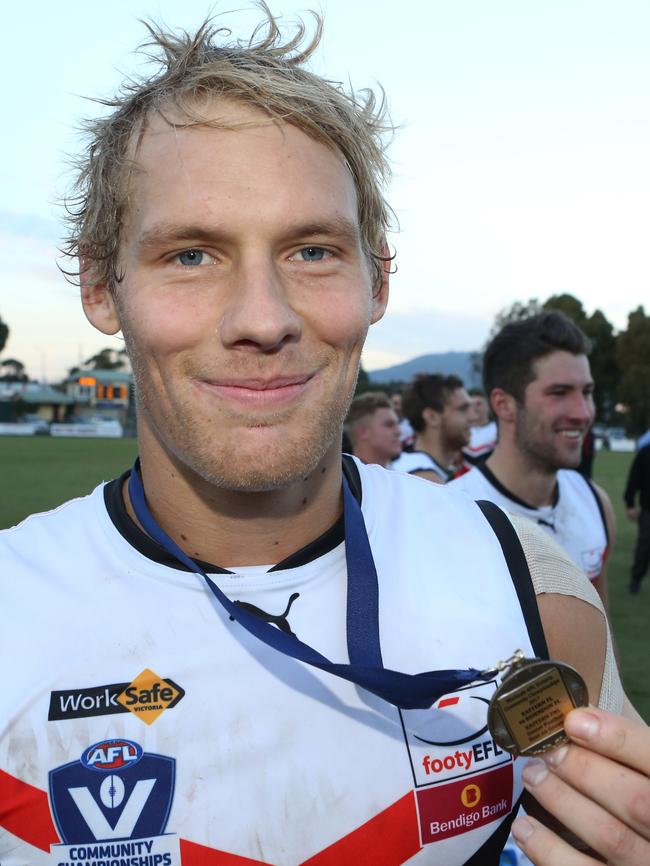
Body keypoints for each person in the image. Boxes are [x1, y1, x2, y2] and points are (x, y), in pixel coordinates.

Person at [1, 12, 648, 866]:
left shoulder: (532, 584)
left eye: (312, 251)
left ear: (377, 281)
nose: (262, 319)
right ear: (98, 284)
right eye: (191, 256)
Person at [449, 312, 614, 613]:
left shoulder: (595, 503)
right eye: (559, 393)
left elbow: (603, 640)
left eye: (587, 392)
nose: (583, 413)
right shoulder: (451, 513)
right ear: (504, 405)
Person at [391, 373, 473, 482]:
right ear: (432, 417)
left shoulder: (408, 468)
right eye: (463, 409)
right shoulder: (422, 480)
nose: (472, 417)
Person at [345, 391, 402, 466]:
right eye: (389, 425)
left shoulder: (403, 474)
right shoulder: (342, 476)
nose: (399, 432)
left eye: (397, 424)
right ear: (362, 432)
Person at [624, 442, 650, 593]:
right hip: (648, 510)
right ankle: (636, 579)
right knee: (644, 546)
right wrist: (630, 503)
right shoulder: (646, 453)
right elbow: (634, 478)